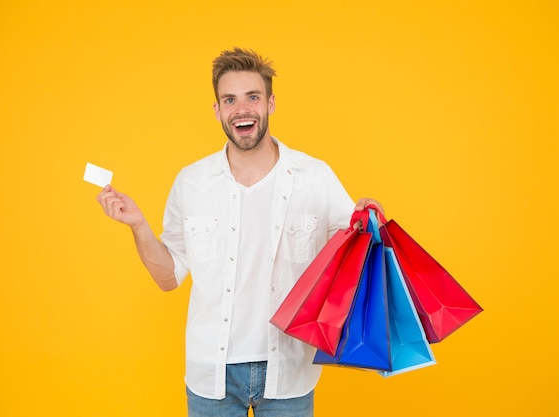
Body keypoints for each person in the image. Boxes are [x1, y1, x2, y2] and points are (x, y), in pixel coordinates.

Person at [96, 47, 382, 417]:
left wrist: (368, 220)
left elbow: (356, 259)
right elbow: (168, 278)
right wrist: (139, 226)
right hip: (210, 376)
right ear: (217, 110)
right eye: (230, 99)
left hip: (290, 371)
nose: (242, 108)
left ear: (270, 103)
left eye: (253, 97)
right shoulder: (191, 183)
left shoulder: (316, 177)